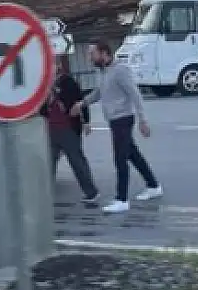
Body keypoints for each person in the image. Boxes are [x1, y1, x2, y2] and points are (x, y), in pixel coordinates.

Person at [75, 39, 161, 213]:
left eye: (92, 53)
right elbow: (99, 92)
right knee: (133, 155)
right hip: (114, 120)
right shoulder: (103, 71)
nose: (89, 57)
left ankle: (122, 199)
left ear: (104, 53)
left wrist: (142, 120)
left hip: (123, 118)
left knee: (120, 159)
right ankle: (153, 185)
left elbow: (135, 94)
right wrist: (82, 103)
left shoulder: (120, 70)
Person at [42, 59, 100, 207]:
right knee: (48, 162)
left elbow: (80, 101)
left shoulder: (68, 82)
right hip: (51, 128)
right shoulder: (44, 85)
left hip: (68, 127)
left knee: (76, 160)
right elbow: (42, 109)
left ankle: (91, 192)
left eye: (53, 65)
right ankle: (44, 193)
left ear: (59, 66)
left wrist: (86, 121)